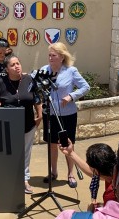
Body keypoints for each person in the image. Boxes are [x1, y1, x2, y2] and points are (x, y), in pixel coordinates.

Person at [0, 54, 42, 194]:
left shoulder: (29, 80)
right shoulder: (1, 82)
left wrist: (40, 115)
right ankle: (9, 180)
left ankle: (24, 180)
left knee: (25, 153)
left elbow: (36, 98)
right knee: (10, 154)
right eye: (12, 65)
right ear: (6, 69)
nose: (17, 66)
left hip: (28, 124)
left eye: (18, 63)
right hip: (9, 126)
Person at [41, 42, 90, 188]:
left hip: (67, 114)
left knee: (68, 144)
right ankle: (53, 172)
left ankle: (70, 174)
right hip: (49, 114)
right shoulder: (44, 70)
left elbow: (85, 87)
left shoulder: (71, 71)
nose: (50, 58)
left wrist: (71, 96)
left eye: (53, 55)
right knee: (52, 145)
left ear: (62, 57)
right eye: (49, 55)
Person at [59, 140, 117, 211]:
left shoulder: (112, 194)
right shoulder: (116, 171)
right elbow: (94, 172)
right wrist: (71, 153)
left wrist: (91, 213)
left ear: (96, 170)